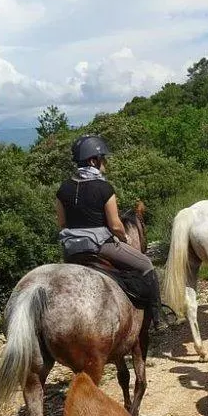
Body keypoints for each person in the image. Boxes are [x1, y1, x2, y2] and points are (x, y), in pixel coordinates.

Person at [56, 134, 163, 327]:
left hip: (71, 250)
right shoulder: (104, 188)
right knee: (147, 265)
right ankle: (158, 317)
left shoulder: (63, 189)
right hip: (100, 246)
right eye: (102, 159)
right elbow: (115, 225)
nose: (105, 162)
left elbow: (62, 223)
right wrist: (124, 238)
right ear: (93, 161)